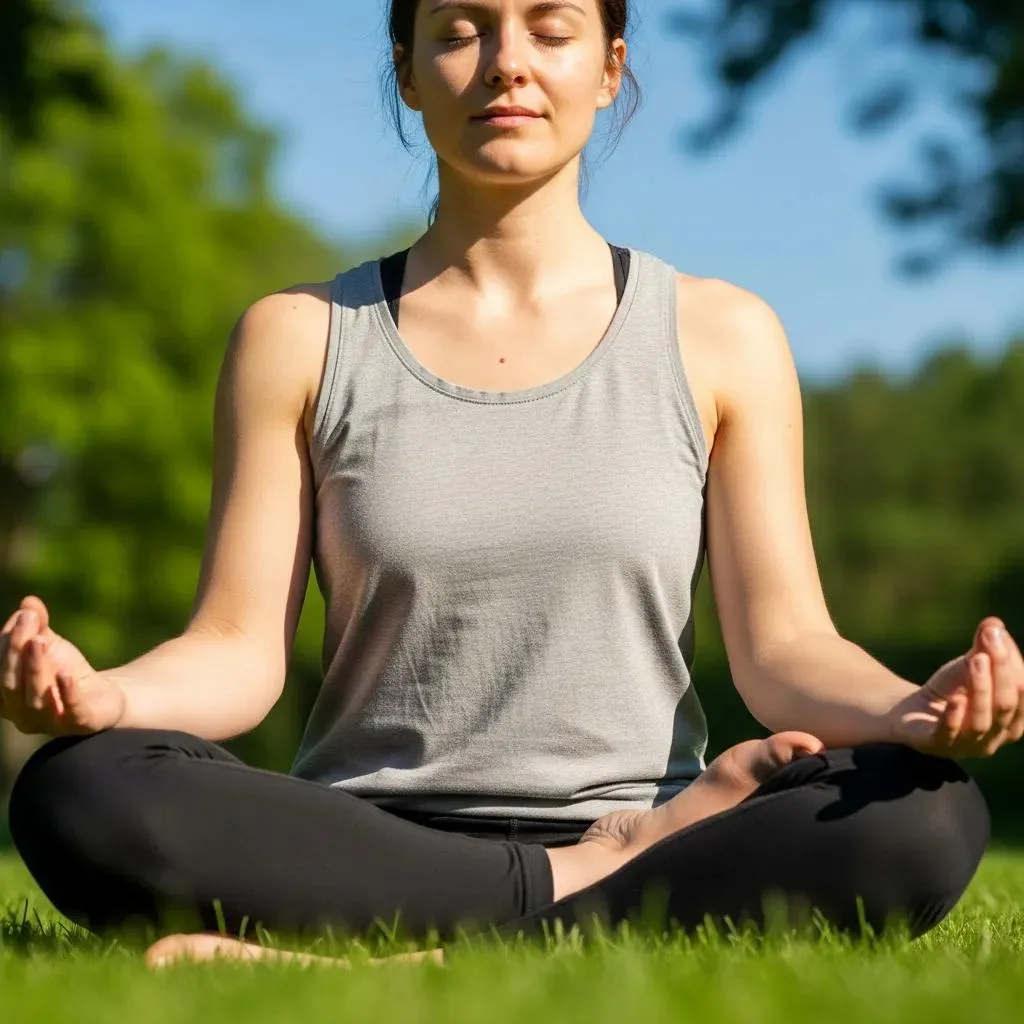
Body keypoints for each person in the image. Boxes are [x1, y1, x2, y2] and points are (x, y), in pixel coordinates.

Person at [1, 0, 1018, 971]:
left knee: (924, 813)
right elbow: (235, 650)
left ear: (611, 66)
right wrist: (111, 696)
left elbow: (785, 648)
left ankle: (391, 963)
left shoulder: (722, 336)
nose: (506, 63)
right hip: (372, 840)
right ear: (406, 71)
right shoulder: (300, 336)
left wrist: (908, 709)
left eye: (550, 29)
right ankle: (585, 885)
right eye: (458, 32)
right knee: (81, 789)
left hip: (654, 820)